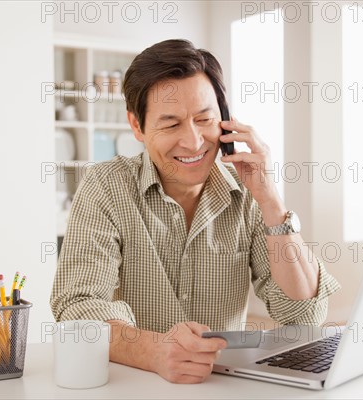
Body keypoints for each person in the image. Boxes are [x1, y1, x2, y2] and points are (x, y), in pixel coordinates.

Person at [50, 39, 340, 384]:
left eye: (204, 119)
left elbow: (304, 315)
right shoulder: (106, 186)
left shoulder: (249, 195)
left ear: (226, 120)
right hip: (135, 386)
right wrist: (155, 351)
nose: (193, 141)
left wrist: (271, 201)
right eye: (171, 125)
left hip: (222, 386)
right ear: (137, 126)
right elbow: (79, 305)